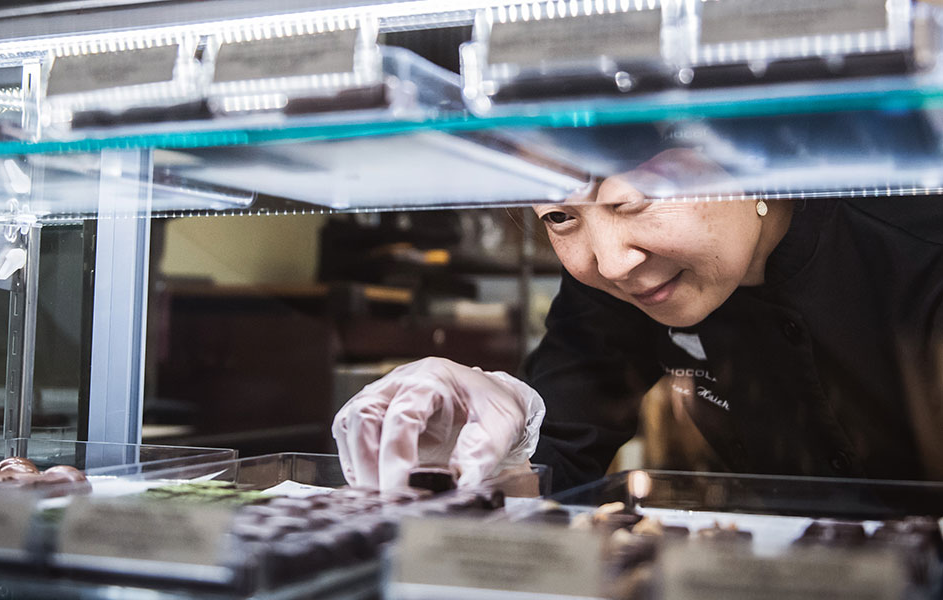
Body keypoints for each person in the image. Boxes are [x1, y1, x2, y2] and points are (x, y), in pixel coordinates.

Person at [332, 148, 943, 493]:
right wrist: (468, 438)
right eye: (560, 219)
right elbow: (556, 458)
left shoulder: (917, 249)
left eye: (633, 202)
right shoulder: (624, 288)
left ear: (750, 157)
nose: (611, 261)